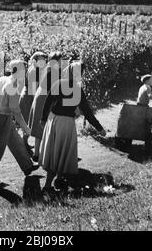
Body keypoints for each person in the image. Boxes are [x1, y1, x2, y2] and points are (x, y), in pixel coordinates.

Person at [39, 62, 106, 193]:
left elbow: (48, 102)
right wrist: (99, 128)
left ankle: (58, 180)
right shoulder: (76, 89)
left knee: (56, 153)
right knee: (60, 154)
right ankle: (47, 186)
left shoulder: (58, 83)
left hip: (53, 120)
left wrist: (43, 118)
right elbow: (87, 111)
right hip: (65, 123)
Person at [0, 60, 39, 184]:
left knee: (16, 142)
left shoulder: (2, 79)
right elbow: (16, 111)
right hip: (4, 119)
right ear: (18, 70)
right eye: (24, 69)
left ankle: (27, 167)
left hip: (0, 117)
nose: (26, 71)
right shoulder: (12, 85)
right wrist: (25, 128)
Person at [28, 52, 63, 162]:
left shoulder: (46, 68)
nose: (61, 62)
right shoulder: (55, 71)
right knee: (47, 125)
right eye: (60, 60)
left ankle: (37, 153)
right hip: (45, 98)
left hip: (40, 96)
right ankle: (46, 153)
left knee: (40, 125)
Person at [19, 51, 47, 154]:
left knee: (29, 123)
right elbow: (33, 89)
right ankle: (24, 144)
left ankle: (25, 144)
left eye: (44, 59)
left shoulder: (37, 69)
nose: (43, 60)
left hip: (30, 97)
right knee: (29, 123)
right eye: (41, 59)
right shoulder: (33, 70)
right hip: (28, 99)